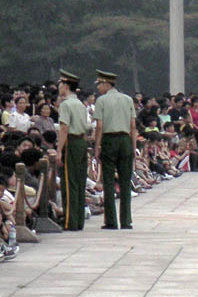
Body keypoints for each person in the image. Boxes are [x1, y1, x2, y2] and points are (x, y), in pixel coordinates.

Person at [93, 70, 137, 230]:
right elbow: (133, 125)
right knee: (126, 181)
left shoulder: (101, 101)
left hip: (109, 140)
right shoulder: (128, 100)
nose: (98, 88)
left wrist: (97, 146)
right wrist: (133, 147)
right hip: (125, 139)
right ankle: (126, 220)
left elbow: (99, 126)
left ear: (106, 84)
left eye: (99, 84)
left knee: (109, 181)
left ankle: (111, 220)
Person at [56, 70, 89, 231]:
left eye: (61, 85)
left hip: (71, 142)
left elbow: (64, 128)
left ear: (66, 86)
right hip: (82, 142)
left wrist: (59, 150)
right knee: (80, 182)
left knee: (69, 183)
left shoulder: (66, 104)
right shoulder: (80, 104)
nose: (59, 88)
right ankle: (79, 220)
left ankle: (70, 221)